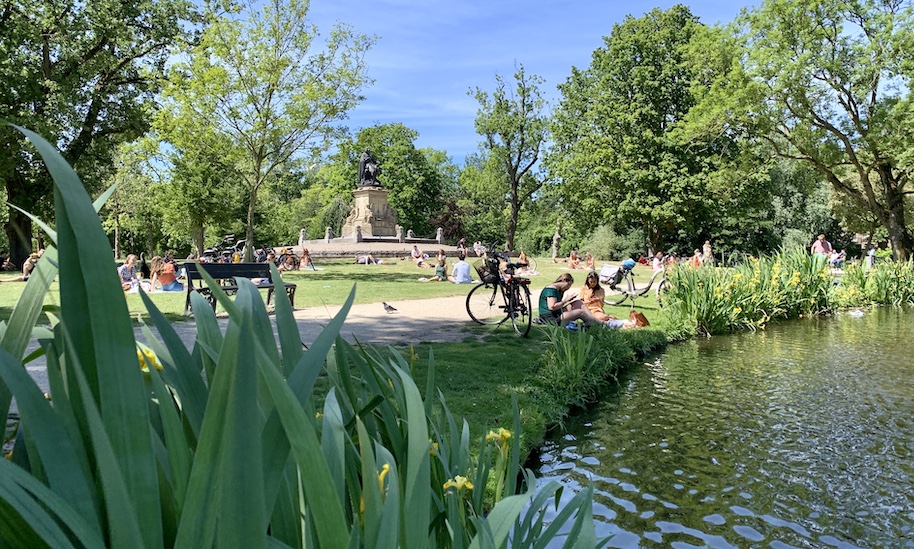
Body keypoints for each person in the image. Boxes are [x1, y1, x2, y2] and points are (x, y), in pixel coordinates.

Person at [538, 273, 610, 327]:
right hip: (550, 318)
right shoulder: (551, 290)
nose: (568, 288)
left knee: (579, 302)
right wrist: (566, 300)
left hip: (557, 313)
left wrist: (569, 301)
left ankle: (593, 321)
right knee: (580, 312)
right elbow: (552, 307)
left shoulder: (557, 289)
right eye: (568, 285)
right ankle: (604, 324)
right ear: (564, 281)